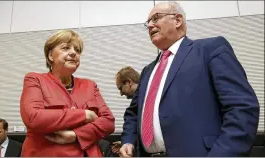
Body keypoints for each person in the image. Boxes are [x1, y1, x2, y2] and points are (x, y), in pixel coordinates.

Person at [119, 1, 260, 157]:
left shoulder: (210, 49)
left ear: (178, 20)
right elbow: (133, 113)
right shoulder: (147, 71)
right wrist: (128, 141)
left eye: (156, 18)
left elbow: (241, 108)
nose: (150, 25)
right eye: (148, 23)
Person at [20, 29, 115, 157]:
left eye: (77, 50)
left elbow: (108, 122)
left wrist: (76, 135)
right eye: (65, 48)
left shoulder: (89, 85)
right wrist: (85, 115)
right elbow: (33, 118)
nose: (73, 53)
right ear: (50, 56)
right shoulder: (35, 79)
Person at [111, 66, 140, 155]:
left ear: (128, 82)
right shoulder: (140, 98)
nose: (121, 93)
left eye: (120, 88)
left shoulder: (141, 98)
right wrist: (128, 143)